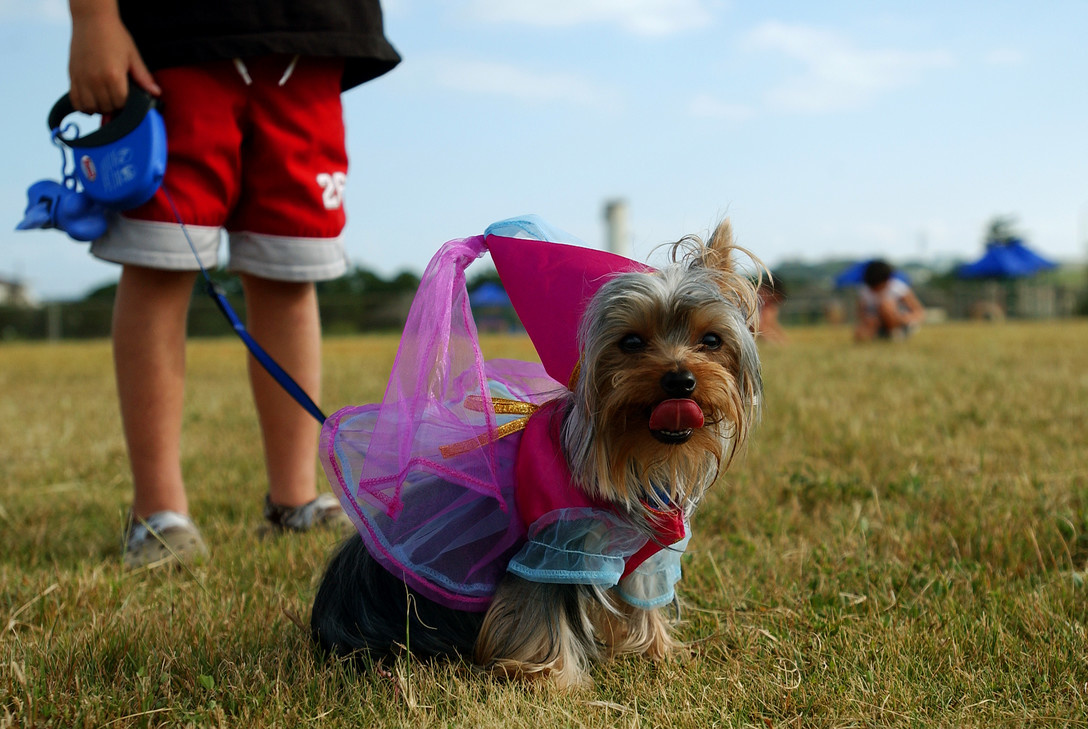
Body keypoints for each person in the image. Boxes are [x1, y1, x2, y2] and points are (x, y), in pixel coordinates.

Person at [66, 0, 400, 568]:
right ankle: (159, 510)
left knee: (292, 270)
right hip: (174, 45)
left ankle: (294, 498)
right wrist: (92, 18)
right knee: (158, 263)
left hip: (312, 39)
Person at [853, 260, 925, 342]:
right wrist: (869, 321)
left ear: (887, 280)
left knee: (885, 305)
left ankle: (895, 335)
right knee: (860, 334)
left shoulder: (898, 288)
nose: (876, 290)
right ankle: (882, 336)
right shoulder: (864, 291)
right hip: (878, 325)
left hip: (900, 325)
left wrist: (901, 319)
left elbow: (919, 312)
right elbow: (861, 315)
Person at [756, 275, 788, 344]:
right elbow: (760, 328)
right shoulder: (757, 301)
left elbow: (772, 324)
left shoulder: (768, 306)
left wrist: (783, 340)